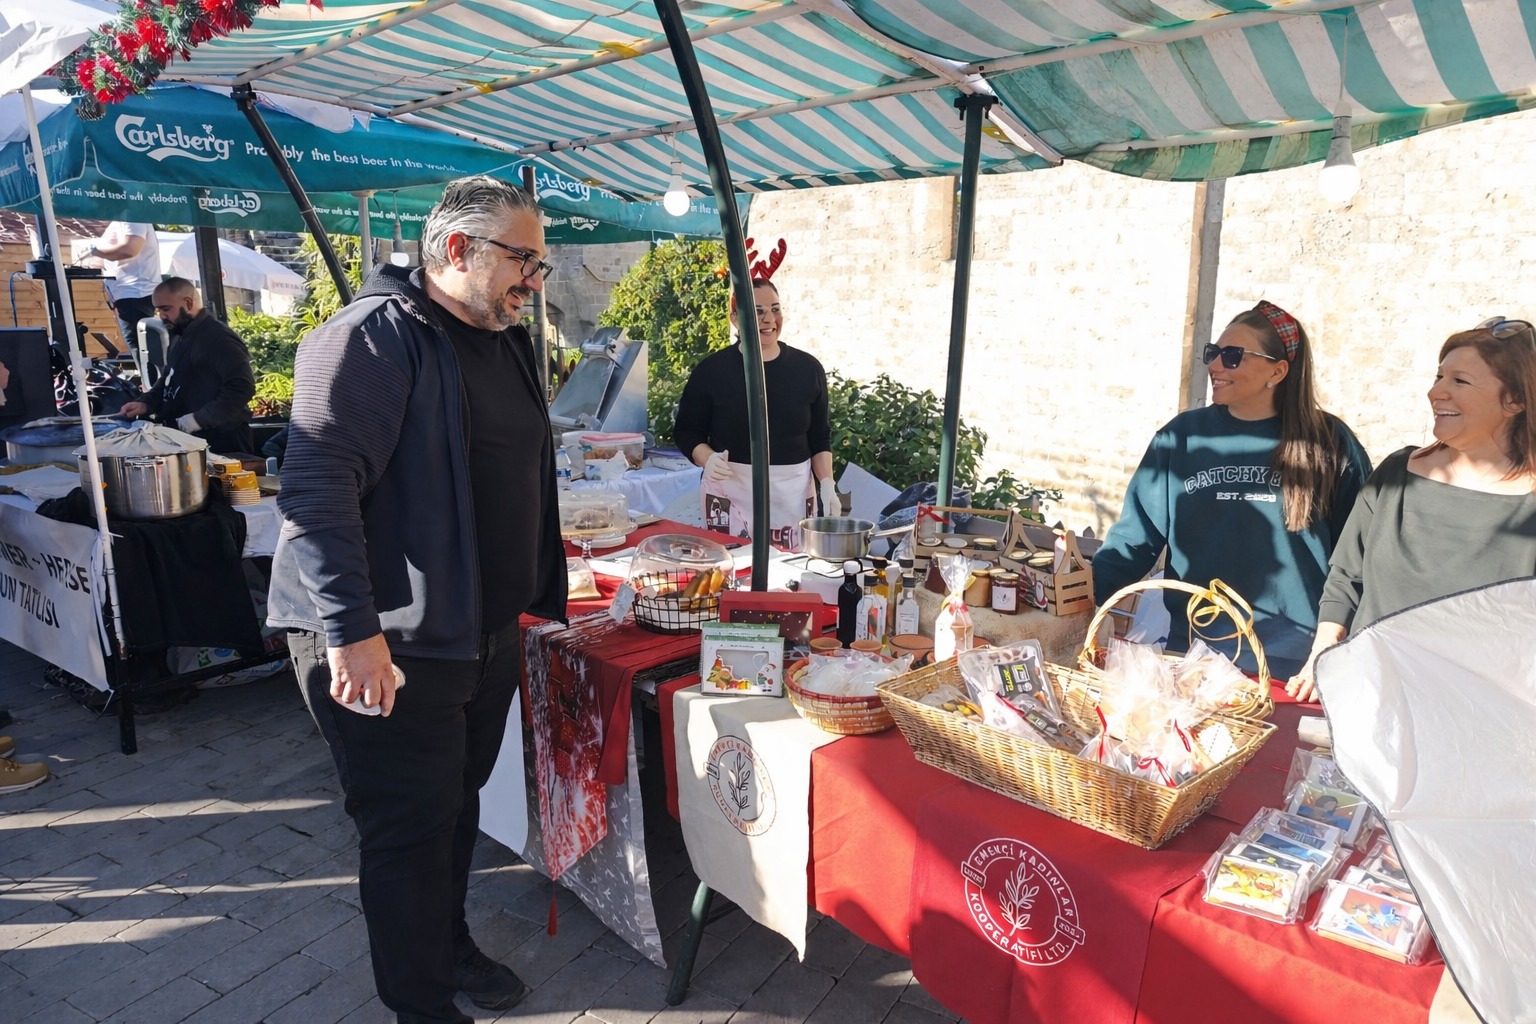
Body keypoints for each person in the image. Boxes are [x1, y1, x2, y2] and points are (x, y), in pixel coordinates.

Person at [267, 175, 565, 1024]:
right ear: (458, 249)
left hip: (482, 633)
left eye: (541, 264)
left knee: (456, 804)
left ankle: (445, 945)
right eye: (523, 259)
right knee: (407, 830)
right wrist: (352, 635)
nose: (533, 280)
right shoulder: (369, 337)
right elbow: (317, 487)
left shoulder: (503, 337)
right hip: (388, 640)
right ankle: (421, 1004)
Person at [1092, 301, 1373, 680]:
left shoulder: (1330, 444)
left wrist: (1340, 643)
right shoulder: (1181, 438)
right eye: (1213, 353)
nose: (1215, 365)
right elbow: (1133, 539)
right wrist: (1080, 600)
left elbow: (1357, 558)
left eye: (1233, 356)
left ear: (1278, 371)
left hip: (1298, 667)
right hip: (1194, 657)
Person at [1288, 316, 1536, 701]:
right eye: (1439, 377)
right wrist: (1322, 649)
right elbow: (1345, 578)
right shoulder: (1395, 475)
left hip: (1480, 719)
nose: (1437, 392)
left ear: (1515, 400)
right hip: (1369, 699)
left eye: (1460, 381)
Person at [673, 270, 837, 551]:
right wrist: (707, 458)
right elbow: (687, 431)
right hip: (730, 488)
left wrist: (828, 484)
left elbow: (819, 437)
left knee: (790, 578)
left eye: (775, 309)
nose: (769, 319)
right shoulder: (712, 371)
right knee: (734, 573)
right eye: (757, 311)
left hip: (793, 494)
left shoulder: (808, 369)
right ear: (735, 319)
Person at [117, 278, 256, 456]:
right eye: (158, 310)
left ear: (188, 302)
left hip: (224, 444)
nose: (161, 316)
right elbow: (168, 380)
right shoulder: (179, 335)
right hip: (188, 442)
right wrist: (145, 403)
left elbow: (242, 387)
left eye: (166, 309)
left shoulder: (219, 338)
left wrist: (197, 420)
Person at [86, 222, 160, 347]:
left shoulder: (131, 216)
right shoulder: (123, 219)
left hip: (135, 292)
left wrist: (95, 251)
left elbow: (130, 249)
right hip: (131, 293)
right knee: (141, 346)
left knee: (141, 347)